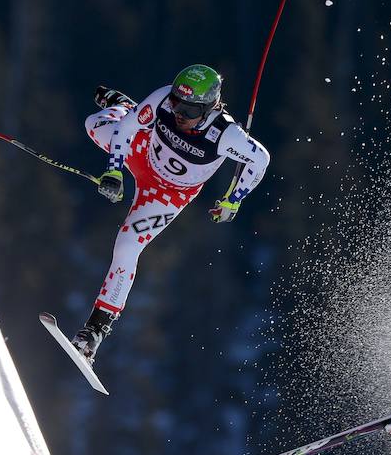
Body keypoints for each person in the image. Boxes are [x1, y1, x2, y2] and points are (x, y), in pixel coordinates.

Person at [73, 64, 270, 362]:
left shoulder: (226, 134)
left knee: (127, 245)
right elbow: (127, 130)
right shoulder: (164, 98)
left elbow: (260, 160)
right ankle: (125, 105)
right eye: (178, 104)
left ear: (210, 107)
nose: (180, 115)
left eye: (190, 111)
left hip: (168, 194)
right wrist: (114, 171)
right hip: (142, 153)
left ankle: (94, 333)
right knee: (94, 123)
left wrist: (233, 200)